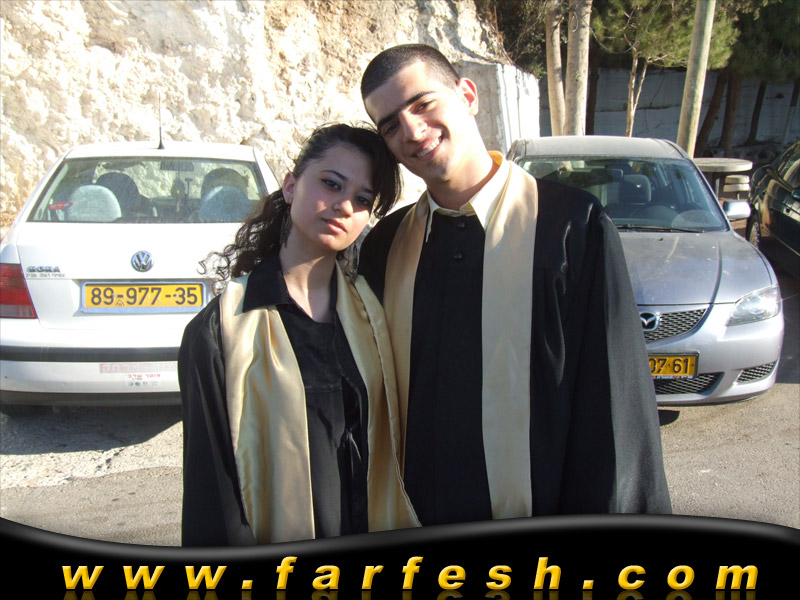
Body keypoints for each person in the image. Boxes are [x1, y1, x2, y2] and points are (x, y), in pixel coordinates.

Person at [357, 43, 672, 526]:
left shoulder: (569, 228)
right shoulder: (386, 246)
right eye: (391, 126)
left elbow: (614, 406)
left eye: (423, 105)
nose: (412, 132)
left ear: (468, 95)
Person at [179, 123, 420, 545]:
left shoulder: (374, 314)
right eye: (332, 184)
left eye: (363, 199)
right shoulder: (222, 332)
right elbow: (213, 496)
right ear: (291, 186)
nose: (344, 205)